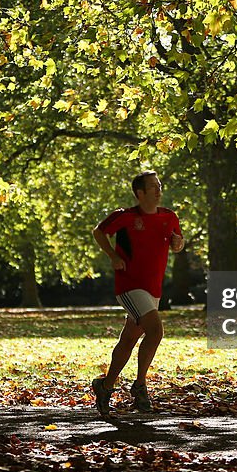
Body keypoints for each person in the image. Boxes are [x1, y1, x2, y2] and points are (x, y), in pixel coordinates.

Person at [91, 170, 184, 415]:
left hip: (153, 288)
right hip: (129, 286)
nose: (158, 189)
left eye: (159, 185)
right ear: (140, 193)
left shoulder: (169, 217)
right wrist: (112, 256)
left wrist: (178, 243)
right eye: (152, 186)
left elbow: (178, 242)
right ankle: (140, 385)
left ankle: (105, 385)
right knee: (156, 330)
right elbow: (98, 232)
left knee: (130, 338)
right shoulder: (125, 216)